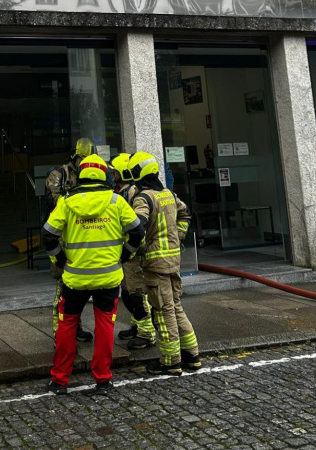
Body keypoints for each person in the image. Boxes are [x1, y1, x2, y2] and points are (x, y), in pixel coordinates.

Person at [42, 153, 145, 394]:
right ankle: (103, 380)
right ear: (104, 174)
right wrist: (126, 255)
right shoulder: (116, 201)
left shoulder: (66, 201)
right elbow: (137, 232)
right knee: (105, 326)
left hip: (75, 277)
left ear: (81, 175)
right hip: (108, 278)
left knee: (67, 326)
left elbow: (48, 234)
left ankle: (59, 380)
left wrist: (59, 258)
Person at [126, 152, 201, 376]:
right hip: (173, 261)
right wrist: (177, 237)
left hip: (155, 264)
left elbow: (137, 225)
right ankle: (192, 355)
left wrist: (130, 250)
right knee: (176, 306)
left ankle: (170, 361)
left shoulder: (143, 197)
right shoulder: (168, 193)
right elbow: (185, 214)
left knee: (163, 310)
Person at [44, 137, 94, 342]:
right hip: (64, 238)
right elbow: (52, 198)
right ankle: (60, 332)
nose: (84, 163)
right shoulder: (59, 174)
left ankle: (77, 327)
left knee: (80, 290)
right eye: (82, 158)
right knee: (63, 289)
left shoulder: (94, 174)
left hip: (84, 237)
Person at [110, 154, 156, 351]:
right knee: (128, 291)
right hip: (127, 251)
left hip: (133, 252)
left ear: (122, 173)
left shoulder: (131, 193)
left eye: (115, 172)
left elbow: (135, 225)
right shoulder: (125, 191)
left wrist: (130, 248)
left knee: (135, 293)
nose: (112, 175)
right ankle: (137, 326)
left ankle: (146, 333)